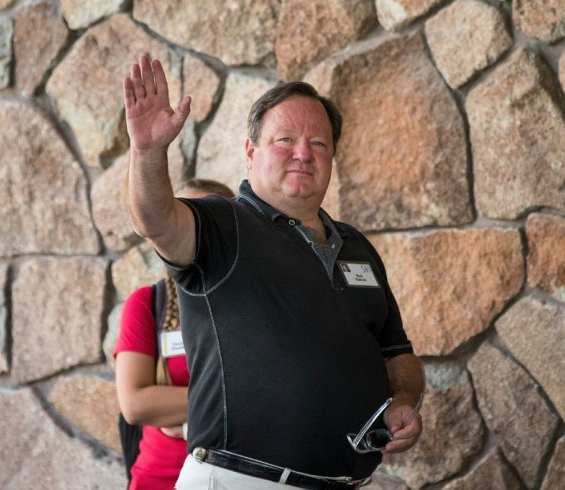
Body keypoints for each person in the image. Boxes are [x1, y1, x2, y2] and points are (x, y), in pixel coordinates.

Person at [122, 55, 426, 489]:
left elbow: (397, 353)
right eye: (285, 139)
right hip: (236, 480)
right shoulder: (222, 225)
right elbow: (155, 219)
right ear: (251, 151)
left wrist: (405, 399)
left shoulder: (357, 247)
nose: (303, 153)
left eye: (319, 144)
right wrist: (148, 151)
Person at [114, 179, 235, 490]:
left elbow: (278, 397)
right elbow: (135, 404)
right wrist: (226, 407)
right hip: (160, 479)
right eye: (179, 220)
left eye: (205, 223)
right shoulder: (147, 304)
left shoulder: (258, 304)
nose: (190, 233)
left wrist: (183, 417)